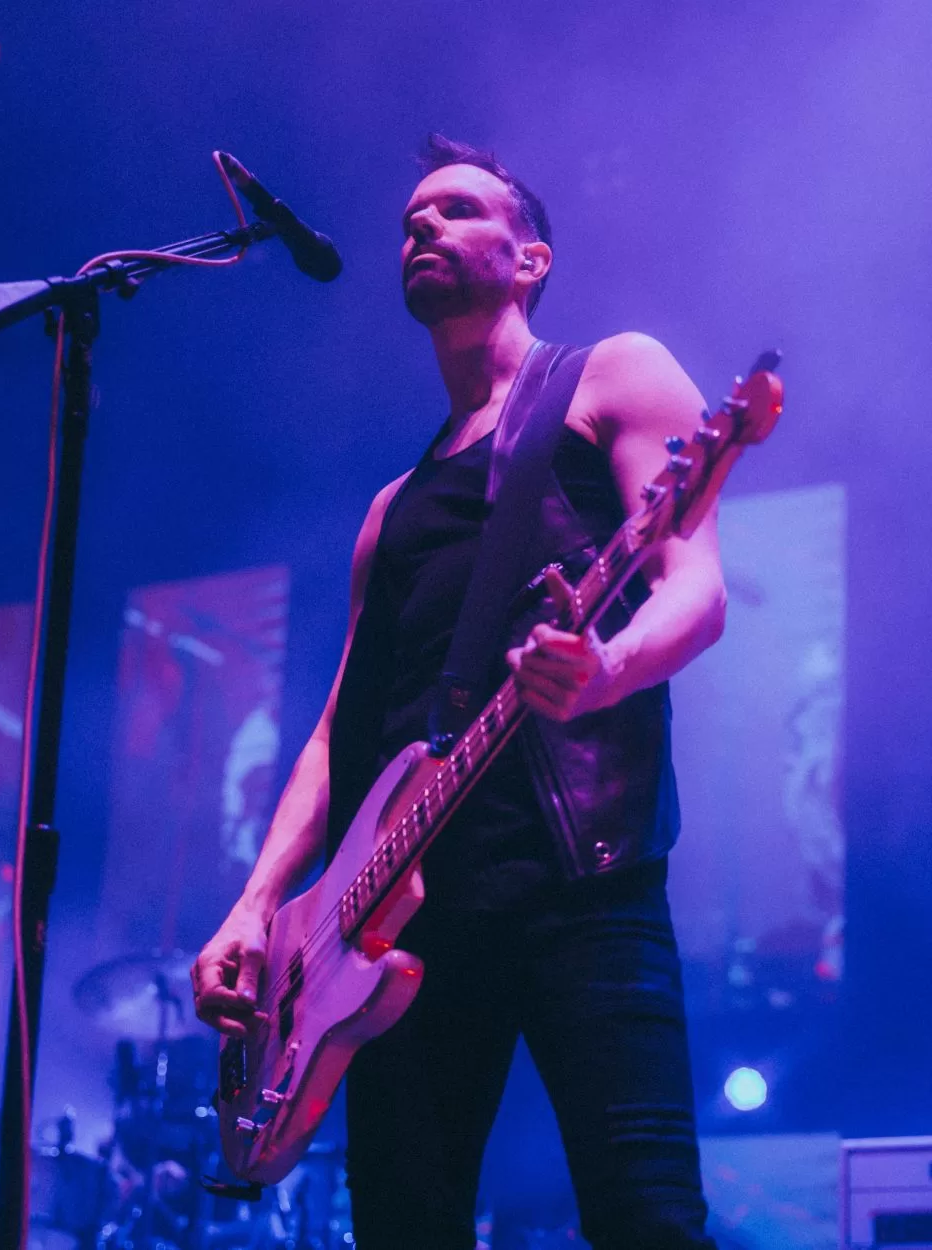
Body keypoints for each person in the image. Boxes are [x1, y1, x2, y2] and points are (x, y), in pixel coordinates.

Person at [192, 134, 725, 1249]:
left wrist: (605, 670)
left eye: (456, 209)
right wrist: (256, 904)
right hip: (390, 926)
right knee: (402, 1227)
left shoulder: (613, 375)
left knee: (647, 1219)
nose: (421, 225)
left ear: (530, 259)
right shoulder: (390, 507)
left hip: (582, 883)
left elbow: (697, 591)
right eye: (410, 219)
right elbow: (339, 728)